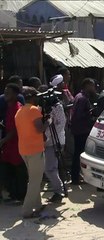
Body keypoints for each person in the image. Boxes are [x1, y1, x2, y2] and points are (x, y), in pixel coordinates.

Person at [15, 87, 50, 218]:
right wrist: (48, 122)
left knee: (33, 178)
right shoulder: (33, 110)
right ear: (32, 97)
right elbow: (39, 129)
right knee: (35, 181)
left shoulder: (19, 111)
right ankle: (27, 210)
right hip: (34, 149)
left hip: (24, 149)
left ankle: (38, 205)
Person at [0, 83, 27, 203]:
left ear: (15, 94)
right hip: (8, 146)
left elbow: (15, 130)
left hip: (16, 145)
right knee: (8, 170)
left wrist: (3, 141)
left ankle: (20, 196)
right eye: (5, 91)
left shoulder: (17, 108)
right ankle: (13, 194)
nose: (6, 94)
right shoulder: (9, 107)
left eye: (8, 92)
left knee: (18, 171)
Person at [43, 83, 67, 203]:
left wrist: (46, 134)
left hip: (55, 141)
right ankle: (59, 190)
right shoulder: (44, 108)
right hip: (49, 142)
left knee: (50, 169)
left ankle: (59, 192)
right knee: (52, 168)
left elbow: (60, 125)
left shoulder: (57, 107)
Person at [70, 78, 96, 185]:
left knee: (77, 153)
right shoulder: (83, 99)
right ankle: (76, 178)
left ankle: (76, 176)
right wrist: (90, 113)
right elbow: (79, 115)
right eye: (93, 86)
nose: (94, 88)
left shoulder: (78, 96)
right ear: (88, 85)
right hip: (82, 130)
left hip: (77, 129)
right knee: (79, 154)